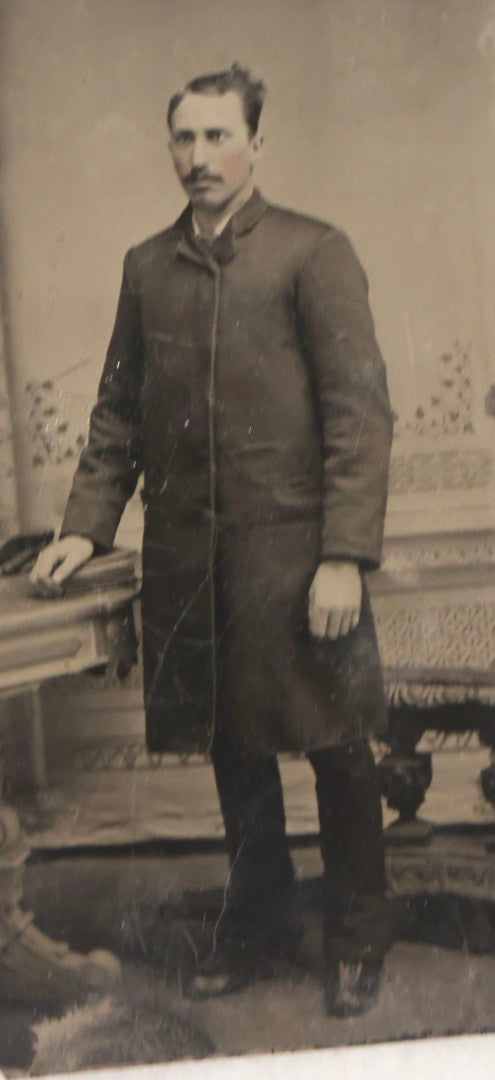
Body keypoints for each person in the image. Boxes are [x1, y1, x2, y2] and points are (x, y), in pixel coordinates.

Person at [31, 63, 393, 1017]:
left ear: (256, 144)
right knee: (235, 751)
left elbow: (360, 415)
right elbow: (117, 414)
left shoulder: (314, 253)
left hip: (302, 564)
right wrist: (82, 528)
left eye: (217, 136)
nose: (198, 158)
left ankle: (358, 937)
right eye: (183, 139)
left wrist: (344, 557)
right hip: (191, 562)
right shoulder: (147, 266)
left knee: (339, 749)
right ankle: (258, 923)